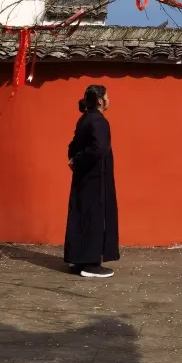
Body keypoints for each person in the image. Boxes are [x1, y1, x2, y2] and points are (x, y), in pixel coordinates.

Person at [64, 84, 119, 278]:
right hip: (96, 177)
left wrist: (74, 161)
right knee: (95, 218)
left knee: (81, 216)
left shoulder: (84, 119)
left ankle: (78, 260)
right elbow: (99, 148)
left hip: (83, 176)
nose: (109, 100)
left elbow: (73, 146)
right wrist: (78, 160)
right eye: (107, 96)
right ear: (100, 101)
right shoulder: (99, 121)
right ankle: (91, 264)